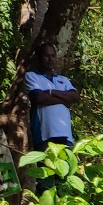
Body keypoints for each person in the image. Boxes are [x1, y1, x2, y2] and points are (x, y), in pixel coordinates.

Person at [24, 40, 79, 185]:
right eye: (46, 56)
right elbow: (38, 97)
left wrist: (51, 92)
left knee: (65, 179)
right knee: (45, 179)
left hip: (65, 135)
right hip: (45, 135)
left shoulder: (63, 80)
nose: (50, 59)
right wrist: (63, 99)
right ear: (39, 58)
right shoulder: (32, 76)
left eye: (53, 56)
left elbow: (75, 96)